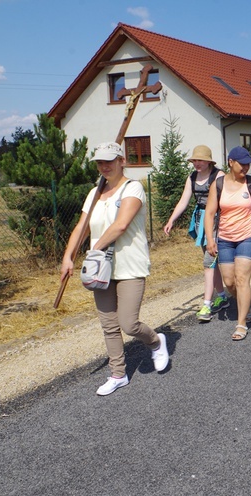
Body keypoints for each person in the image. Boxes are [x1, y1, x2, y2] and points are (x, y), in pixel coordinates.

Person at [61, 142, 169, 396]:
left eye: (109, 161)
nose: (104, 166)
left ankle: (156, 342)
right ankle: (118, 374)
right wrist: (68, 257)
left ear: (122, 161)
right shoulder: (94, 193)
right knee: (108, 324)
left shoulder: (133, 189)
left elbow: (121, 225)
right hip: (100, 267)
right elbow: (81, 227)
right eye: (100, 162)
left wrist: (94, 249)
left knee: (128, 323)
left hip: (129, 264)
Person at [204, 146, 251, 341]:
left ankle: (241, 323)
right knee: (229, 281)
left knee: (241, 279)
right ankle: (243, 301)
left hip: (248, 236)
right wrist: (210, 239)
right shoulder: (218, 184)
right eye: (242, 163)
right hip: (225, 239)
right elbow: (209, 213)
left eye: (248, 164)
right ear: (231, 162)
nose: (246, 167)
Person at [163, 145, 228, 322]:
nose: (196, 164)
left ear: (208, 161)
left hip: (217, 221)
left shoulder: (219, 176)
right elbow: (184, 201)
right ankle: (221, 296)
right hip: (201, 221)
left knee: (209, 261)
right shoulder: (192, 178)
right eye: (194, 160)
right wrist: (171, 220)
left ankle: (206, 304)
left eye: (200, 160)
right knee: (211, 262)